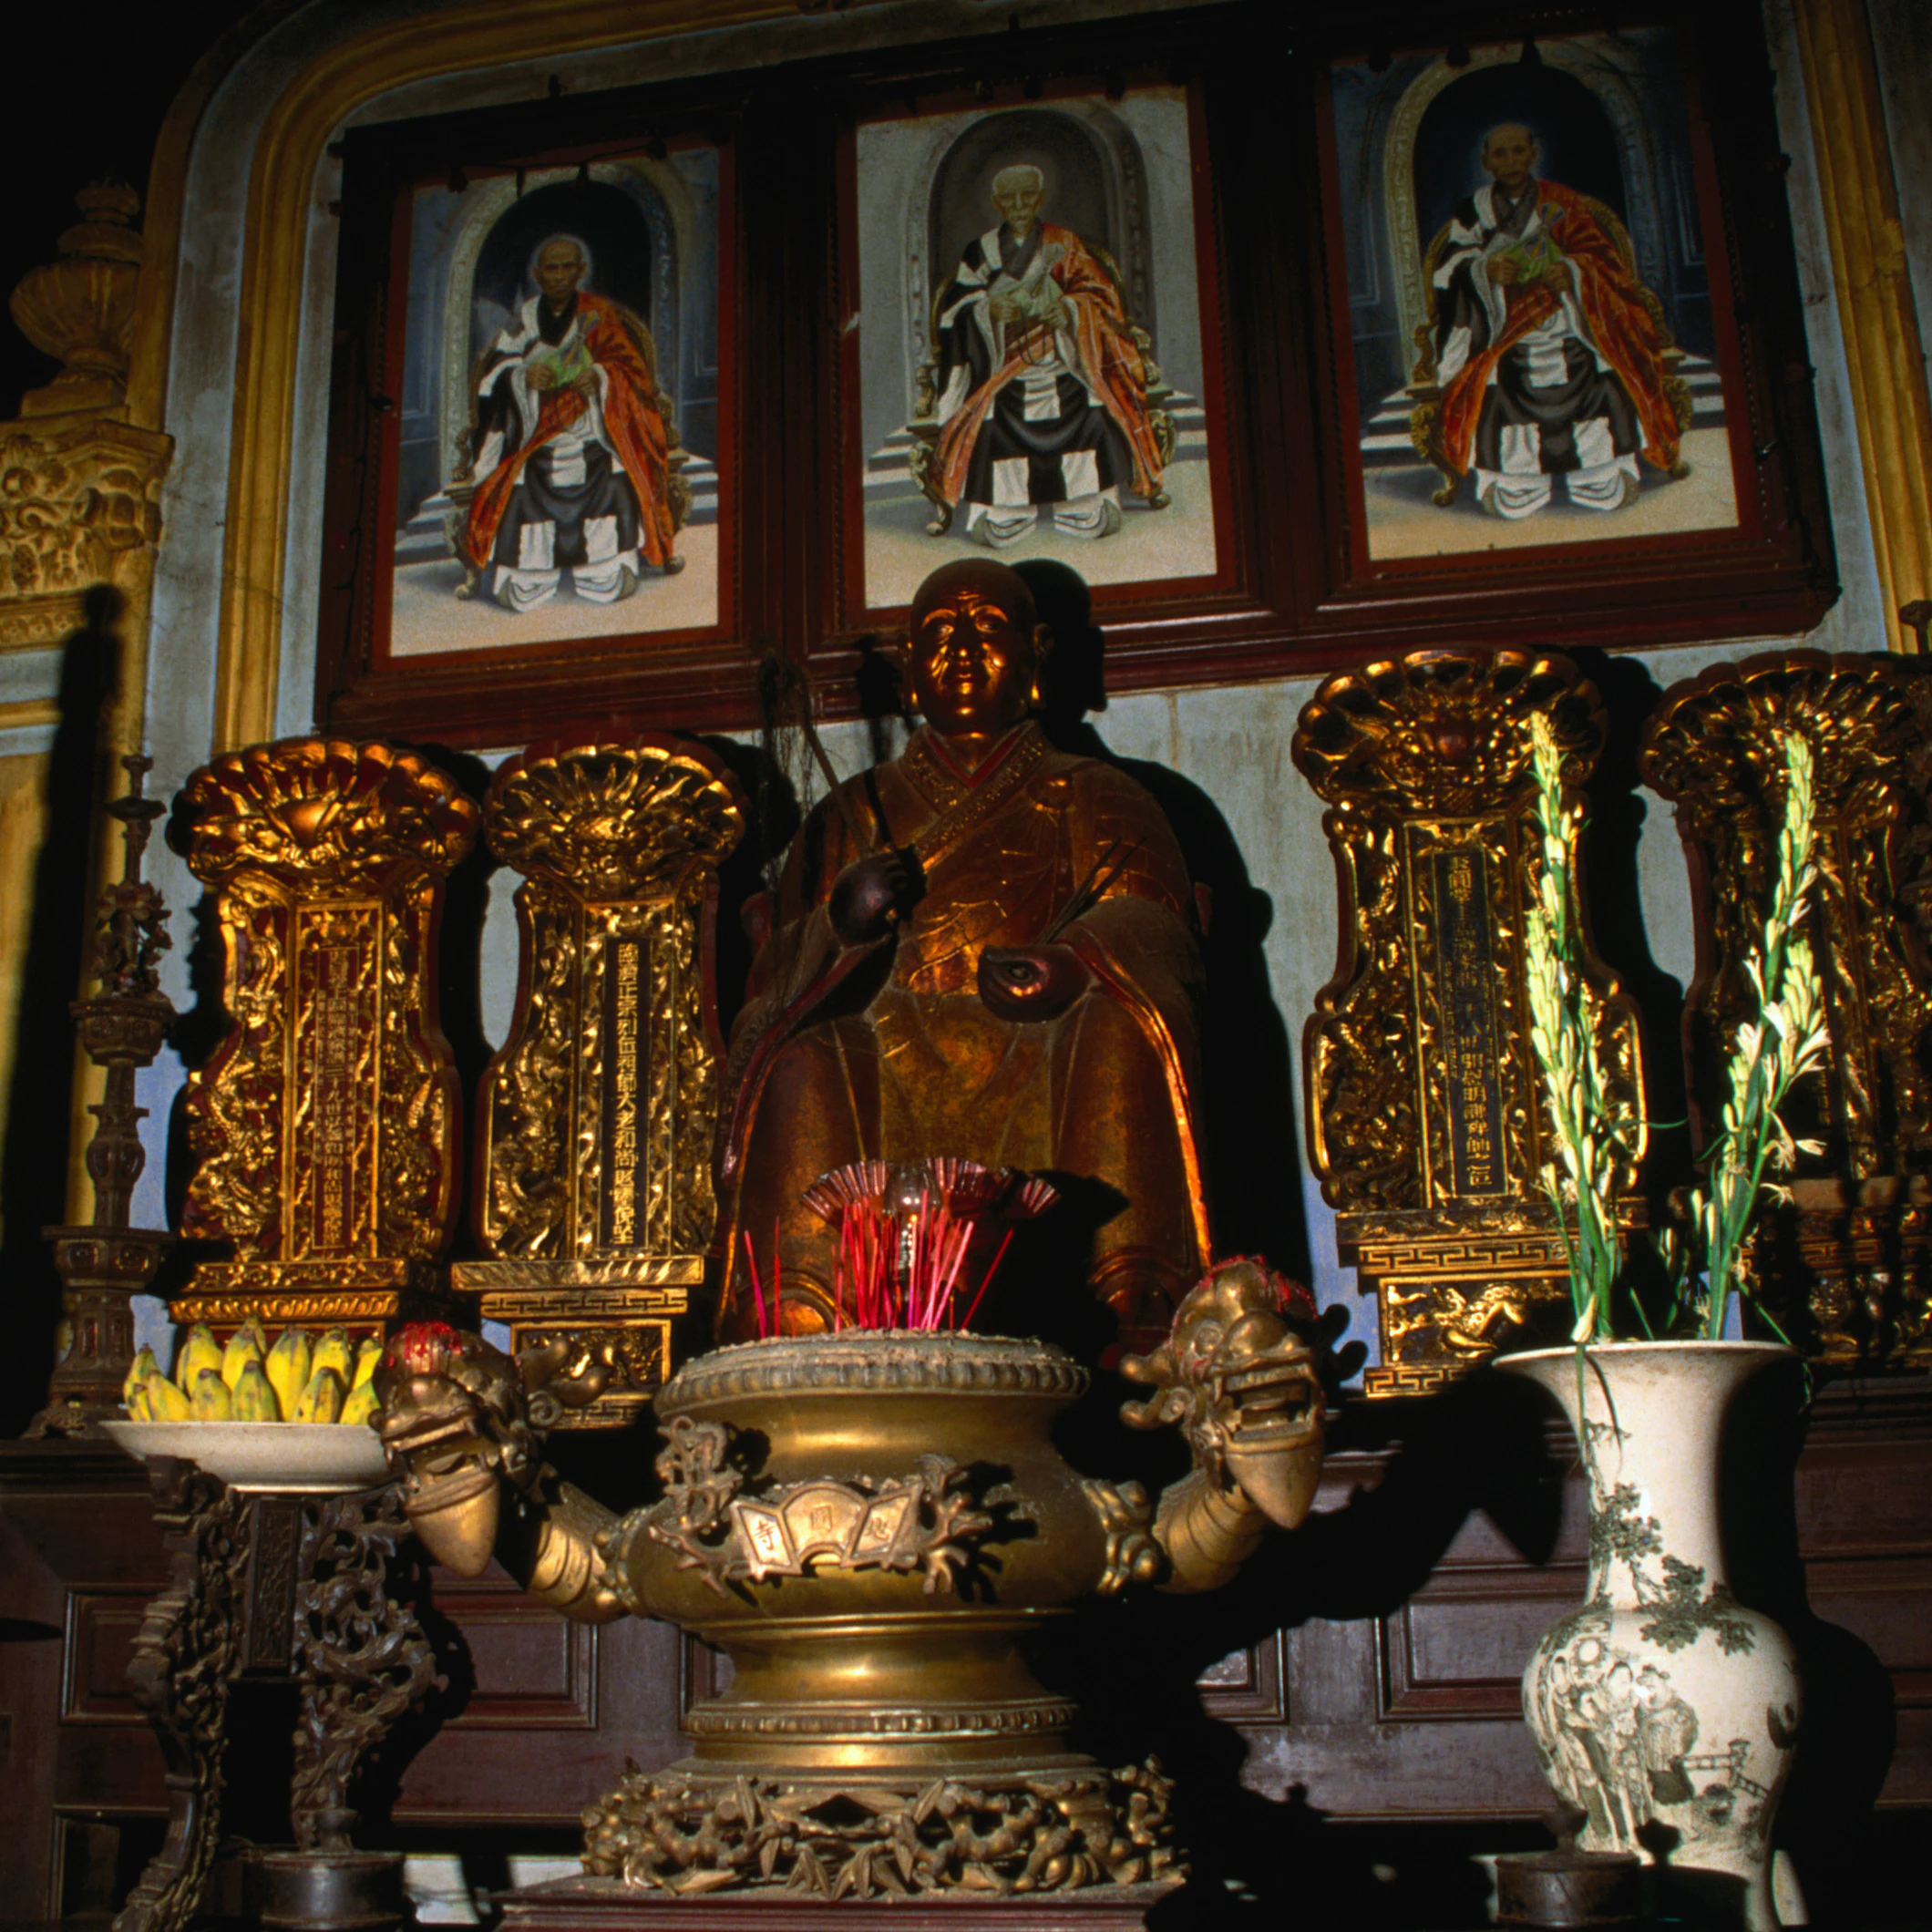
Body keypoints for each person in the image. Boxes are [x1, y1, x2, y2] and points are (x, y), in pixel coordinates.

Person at [716, 558, 1208, 1351]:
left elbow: (1159, 923)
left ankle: (1125, 1309)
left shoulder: (1095, 793)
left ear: (1038, 655)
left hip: (1042, 1048)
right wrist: (838, 926)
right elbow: (770, 980)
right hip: (880, 1058)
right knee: (800, 1059)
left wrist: (1076, 960)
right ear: (910, 676)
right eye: (939, 635)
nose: (964, 650)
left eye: (988, 628)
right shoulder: (850, 813)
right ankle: (800, 1316)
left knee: (1119, 1029)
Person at [1429, 124, 1685, 519]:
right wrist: (1485, 270)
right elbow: (1448, 270)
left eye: (1518, 151)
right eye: (1500, 154)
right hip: (1503, 329)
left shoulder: (1564, 201)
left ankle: (1598, 472)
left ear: (1533, 154)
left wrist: (1573, 271)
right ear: (1485, 162)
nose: (1510, 161)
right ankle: (1517, 481)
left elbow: (1603, 260)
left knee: (1600, 372)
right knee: (1495, 378)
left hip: (1570, 320)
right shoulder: (1473, 211)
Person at [930, 166, 1166, 548]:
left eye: (1027, 196)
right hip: (1002, 365)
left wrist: (1071, 311)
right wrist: (988, 310)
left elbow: (1100, 296)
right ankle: (1004, 512)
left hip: (1063, 357)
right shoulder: (980, 251)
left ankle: (1083, 504)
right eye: (1009, 198)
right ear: (996, 203)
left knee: (1091, 408)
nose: (1019, 205)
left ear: (1040, 199)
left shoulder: (1065, 242)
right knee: (989, 417)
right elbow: (955, 309)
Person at [462, 234, 682, 611]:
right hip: (534, 435)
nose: (560, 276)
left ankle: (603, 568)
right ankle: (529, 575)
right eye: (551, 268)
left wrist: (600, 375)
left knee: (615, 472)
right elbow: (492, 374)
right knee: (516, 481)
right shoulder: (525, 321)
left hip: (594, 428)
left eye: (568, 267)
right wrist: (521, 376)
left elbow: (632, 373)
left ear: (580, 271)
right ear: (537, 274)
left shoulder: (602, 315)